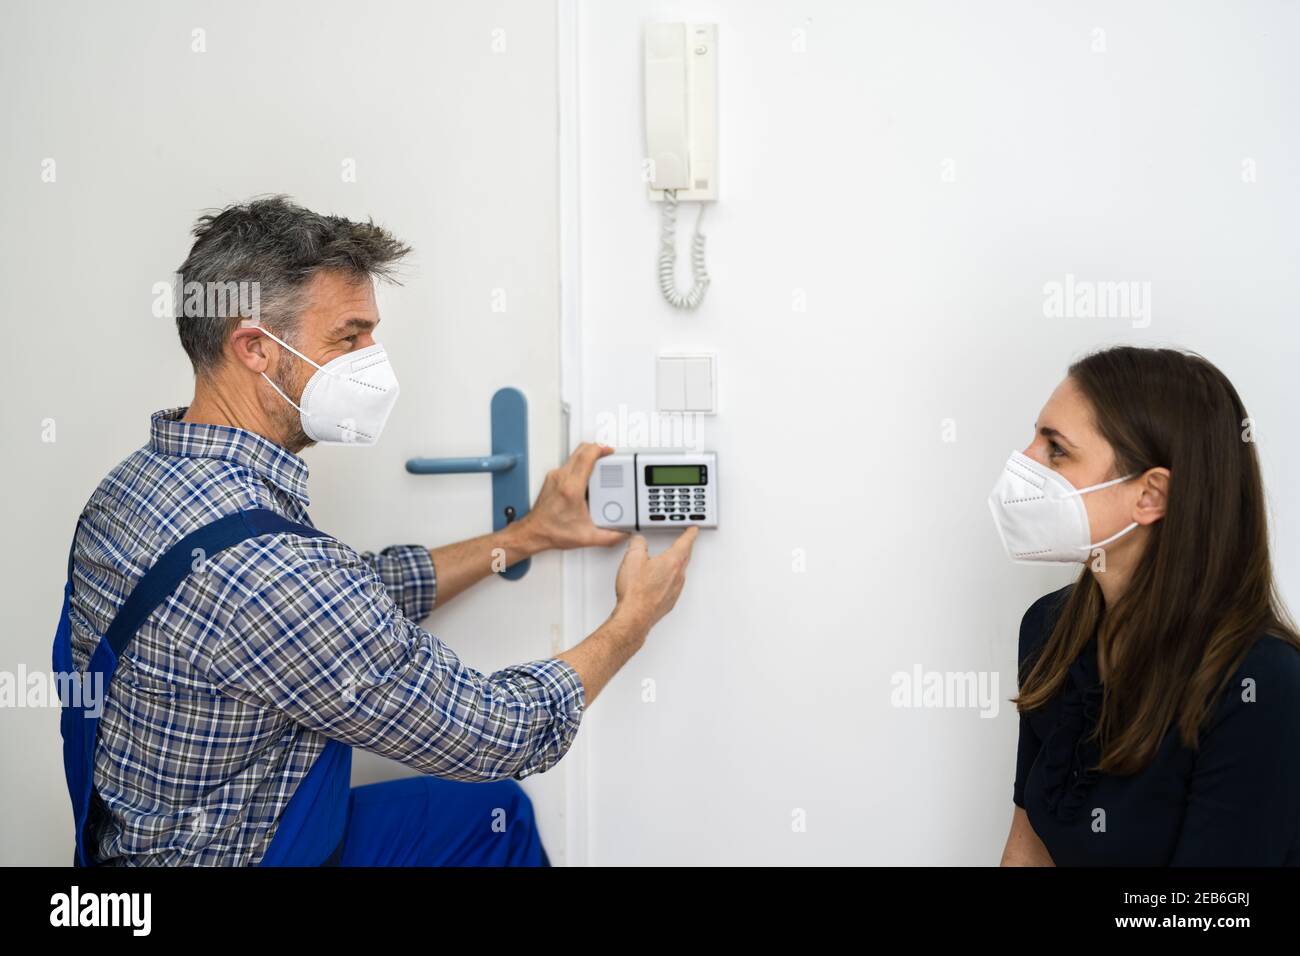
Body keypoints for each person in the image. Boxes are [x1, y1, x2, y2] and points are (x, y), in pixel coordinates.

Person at [53, 195, 699, 866]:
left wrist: (529, 535)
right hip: (243, 854)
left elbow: (351, 598)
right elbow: (498, 732)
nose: (373, 361)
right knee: (498, 800)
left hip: (138, 848)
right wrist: (634, 620)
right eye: (349, 336)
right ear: (254, 348)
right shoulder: (273, 574)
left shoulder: (133, 488)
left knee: (486, 817)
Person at [988, 346, 1300, 866]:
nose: (1025, 462)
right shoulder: (1050, 630)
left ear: (1151, 496)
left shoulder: (1262, 688)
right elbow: (1027, 852)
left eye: (1056, 449)